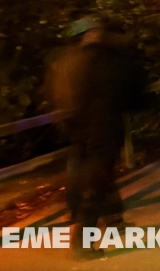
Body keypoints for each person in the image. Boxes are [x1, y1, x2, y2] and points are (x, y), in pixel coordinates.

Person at [50, 18, 132, 254]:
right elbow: (105, 95)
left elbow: (58, 97)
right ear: (89, 34)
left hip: (78, 130)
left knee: (101, 176)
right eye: (96, 31)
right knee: (95, 183)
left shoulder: (64, 61)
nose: (100, 34)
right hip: (98, 129)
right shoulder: (93, 60)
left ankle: (114, 220)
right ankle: (83, 244)